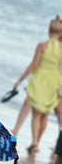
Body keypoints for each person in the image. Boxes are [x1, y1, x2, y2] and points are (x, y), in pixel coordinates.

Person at [11, 15, 62, 152]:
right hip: (54, 81)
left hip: (40, 79)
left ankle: (34, 141)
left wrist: (20, 79)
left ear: (48, 30)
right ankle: (37, 142)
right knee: (45, 112)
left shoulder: (42, 45)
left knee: (36, 112)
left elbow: (34, 65)